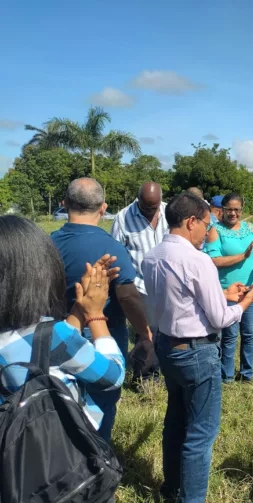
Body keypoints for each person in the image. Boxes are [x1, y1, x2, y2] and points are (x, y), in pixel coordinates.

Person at [142, 193, 253, 503]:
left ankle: (171, 489)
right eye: (206, 226)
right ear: (191, 221)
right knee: (200, 433)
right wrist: (245, 302)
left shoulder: (152, 257)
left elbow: (176, 298)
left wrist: (222, 295)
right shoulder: (197, 260)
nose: (208, 233)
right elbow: (221, 319)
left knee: (176, 420)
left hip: (167, 347)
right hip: (197, 352)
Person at [0, 216, 125, 503]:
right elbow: (113, 374)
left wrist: (76, 314)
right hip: (70, 481)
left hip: (13, 485)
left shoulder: (47, 337)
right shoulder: (56, 336)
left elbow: (40, 353)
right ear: (40, 274)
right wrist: (95, 316)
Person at [51, 178, 153, 442]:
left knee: (60, 402)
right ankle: (99, 459)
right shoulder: (111, 248)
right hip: (102, 335)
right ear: (103, 207)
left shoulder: (47, 245)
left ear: (64, 204)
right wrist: (144, 334)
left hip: (58, 334)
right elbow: (128, 296)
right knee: (103, 403)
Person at [203, 193, 253, 384]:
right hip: (229, 292)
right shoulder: (215, 230)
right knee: (230, 336)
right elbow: (213, 260)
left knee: (249, 334)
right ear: (222, 210)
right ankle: (227, 376)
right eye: (229, 209)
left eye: (237, 210)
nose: (233, 213)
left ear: (242, 210)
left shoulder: (249, 228)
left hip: (251, 288)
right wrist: (242, 256)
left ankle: (247, 373)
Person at [111, 181, 167, 378]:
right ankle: (143, 376)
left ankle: (161, 370)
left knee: (165, 331)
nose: (151, 211)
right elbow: (116, 252)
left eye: (155, 207)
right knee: (145, 333)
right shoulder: (123, 218)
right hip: (140, 286)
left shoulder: (169, 213)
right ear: (138, 200)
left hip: (167, 285)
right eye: (146, 207)